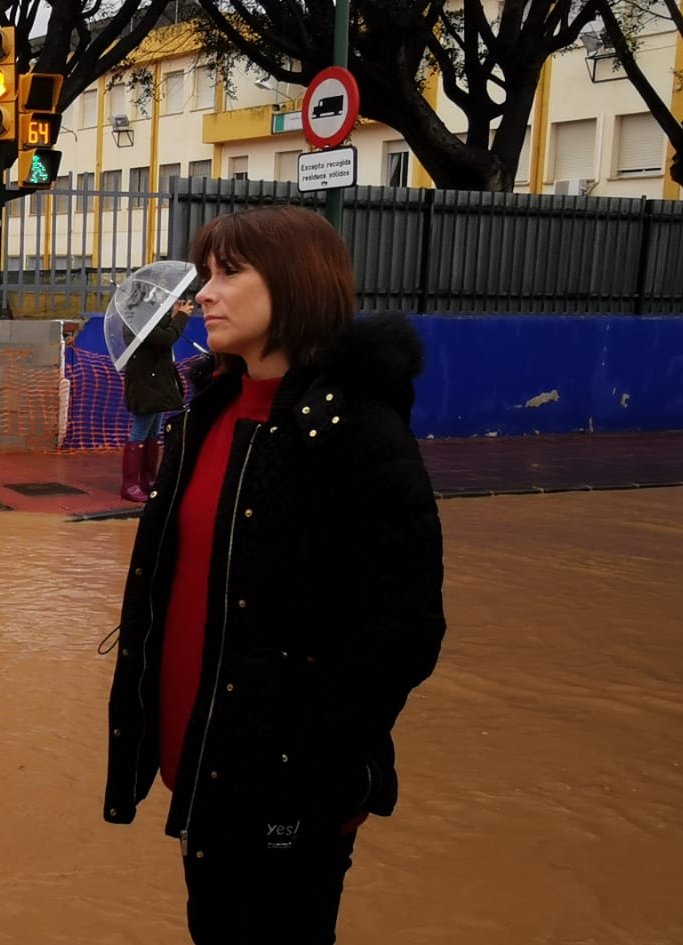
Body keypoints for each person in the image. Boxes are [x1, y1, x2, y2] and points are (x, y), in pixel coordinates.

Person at [103, 205, 447, 944]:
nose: (204, 293)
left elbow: (406, 627)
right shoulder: (206, 415)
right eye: (207, 273)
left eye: (230, 272)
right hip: (202, 771)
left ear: (292, 283)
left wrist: (310, 762)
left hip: (289, 790)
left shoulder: (358, 433)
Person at [119, 299, 191, 502]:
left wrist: (173, 315)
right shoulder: (139, 323)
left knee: (153, 432)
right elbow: (165, 337)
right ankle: (131, 485)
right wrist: (181, 316)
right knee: (140, 432)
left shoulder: (142, 321)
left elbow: (160, 332)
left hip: (156, 385)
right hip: (147, 387)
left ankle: (148, 480)